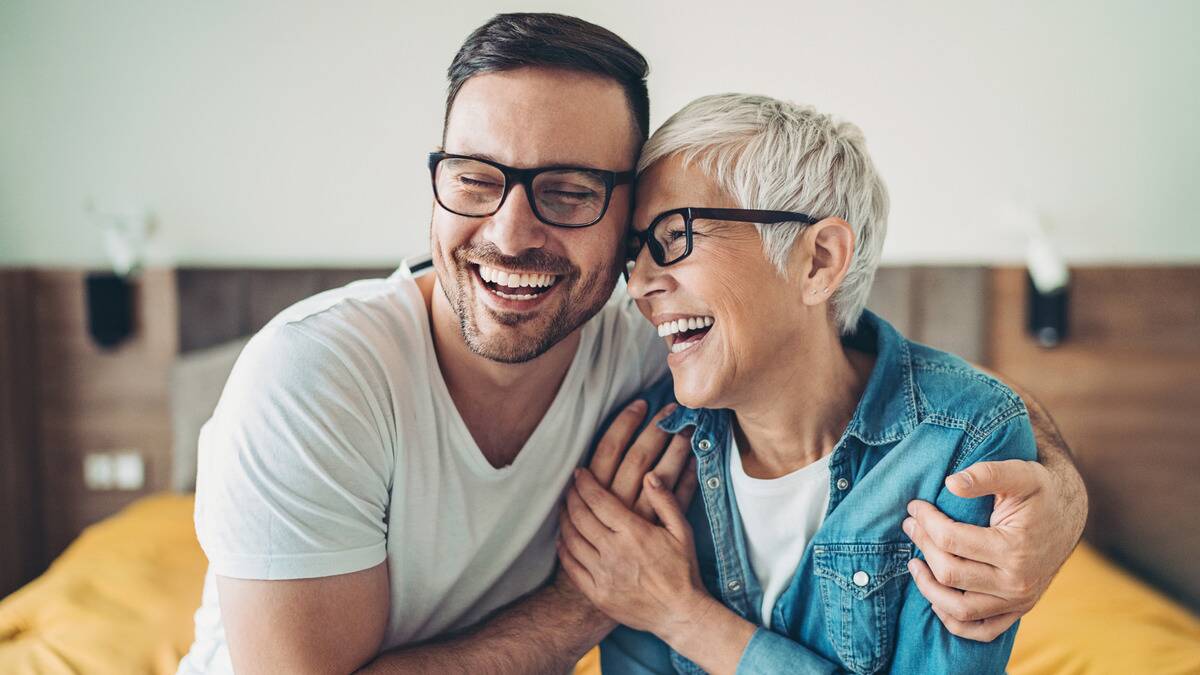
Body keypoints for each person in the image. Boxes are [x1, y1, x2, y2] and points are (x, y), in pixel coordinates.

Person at [178, 13, 1087, 675]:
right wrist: (596, 600)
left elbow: (895, 389)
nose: (509, 231)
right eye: (475, 179)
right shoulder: (320, 376)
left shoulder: (667, 365)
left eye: (570, 190)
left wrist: (1062, 496)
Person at [558, 94, 1048, 674]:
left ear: (817, 260)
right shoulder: (650, 444)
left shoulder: (959, 444)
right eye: (633, 253)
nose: (638, 283)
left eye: (674, 236)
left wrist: (682, 616)